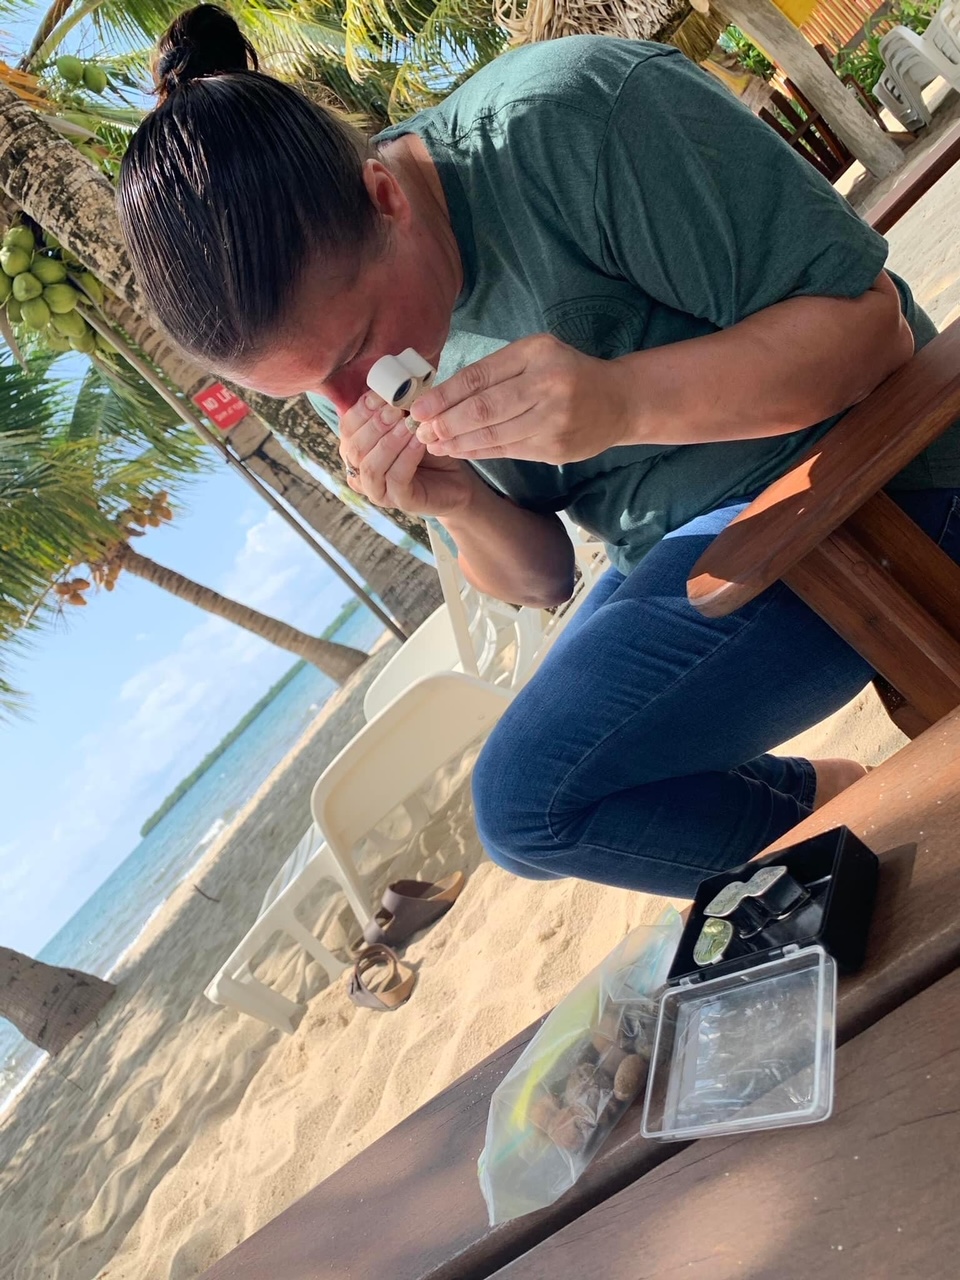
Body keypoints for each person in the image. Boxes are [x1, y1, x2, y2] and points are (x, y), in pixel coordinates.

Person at [118, 4, 960, 900]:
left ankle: (868, 854)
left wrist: (622, 400)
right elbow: (544, 577)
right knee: (531, 809)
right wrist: (455, 501)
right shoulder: (381, 336)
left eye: (354, 350)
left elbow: (872, 336)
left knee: (529, 803)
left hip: (873, 483)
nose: (353, 402)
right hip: (696, 546)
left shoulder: (572, 122)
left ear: (385, 196)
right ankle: (837, 814)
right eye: (309, 393)